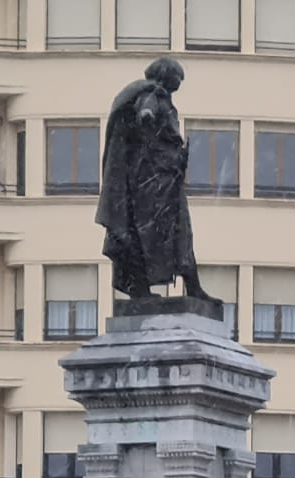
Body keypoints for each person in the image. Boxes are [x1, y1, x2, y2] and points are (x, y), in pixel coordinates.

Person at [97, 58, 214, 301]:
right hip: (153, 183)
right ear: (165, 76)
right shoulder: (152, 94)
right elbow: (146, 112)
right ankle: (144, 289)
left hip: (165, 180)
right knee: (149, 234)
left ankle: (189, 286)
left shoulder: (159, 96)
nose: (180, 83)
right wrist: (148, 117)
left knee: (172, 234)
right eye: (178, 78)